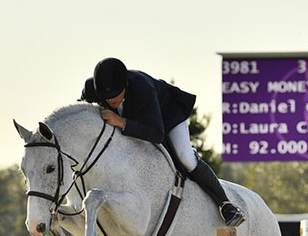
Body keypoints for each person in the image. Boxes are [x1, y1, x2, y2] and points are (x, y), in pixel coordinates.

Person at [80, 57, 244, 227]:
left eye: (114, 95)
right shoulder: (93, 89)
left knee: (185, 158)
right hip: (134, 121)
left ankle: (226, 206)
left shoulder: (143, 88)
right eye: (105, 97)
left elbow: (157, 133)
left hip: (167, 117)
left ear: (125, 86)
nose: (110, 101)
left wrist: (121, 122)